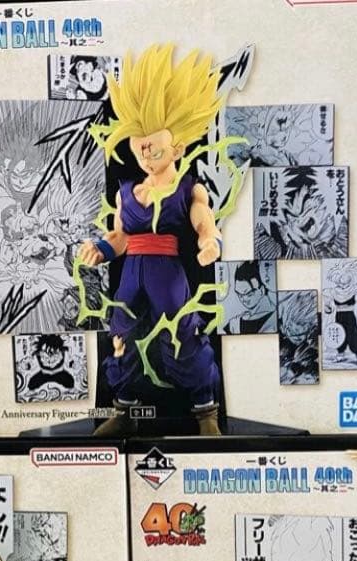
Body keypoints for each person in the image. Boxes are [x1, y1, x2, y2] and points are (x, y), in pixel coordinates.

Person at [80, 44, 231, 436]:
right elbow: (121, 236)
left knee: (182, 334)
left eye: (154, 144)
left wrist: (209, 241)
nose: (146, 152)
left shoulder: (188, 187)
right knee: (121, 335)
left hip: (168, 272)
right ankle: (124, 410)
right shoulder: (127, 191)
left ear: (177, 146)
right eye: (140, 142)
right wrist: (101, 248)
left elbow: (203, 218)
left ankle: (206, 412)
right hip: (132, 272)